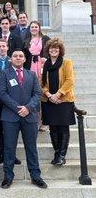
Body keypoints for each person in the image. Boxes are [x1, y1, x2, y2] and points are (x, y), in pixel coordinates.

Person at [0, 50, 47, 189]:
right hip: (10, 117)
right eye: (15, 56)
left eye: (20, 56)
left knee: (31, 148)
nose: (18, 58)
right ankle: (8, 176)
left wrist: (28, 108)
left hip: (30, 116)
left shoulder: (31, 74)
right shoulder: (4, 74)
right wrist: (18, 108)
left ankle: (35, 176)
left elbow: (37, 94)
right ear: (10, 59)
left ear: (25, 59)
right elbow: (2, 93)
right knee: (9, 148)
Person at [41, 38, 76, 166]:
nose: (54, 50)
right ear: (48, 50)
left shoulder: (66, 63)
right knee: (53, 128)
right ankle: (56, 152)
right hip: (49, 101)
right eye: (51, 48)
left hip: (64, 100)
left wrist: (58, 94)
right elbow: (42, 82)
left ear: (60, 50)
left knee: (63, 127)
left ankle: (62, 155)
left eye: (56, 48)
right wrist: (49, 95)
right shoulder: (45, 64)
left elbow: (69, 80)